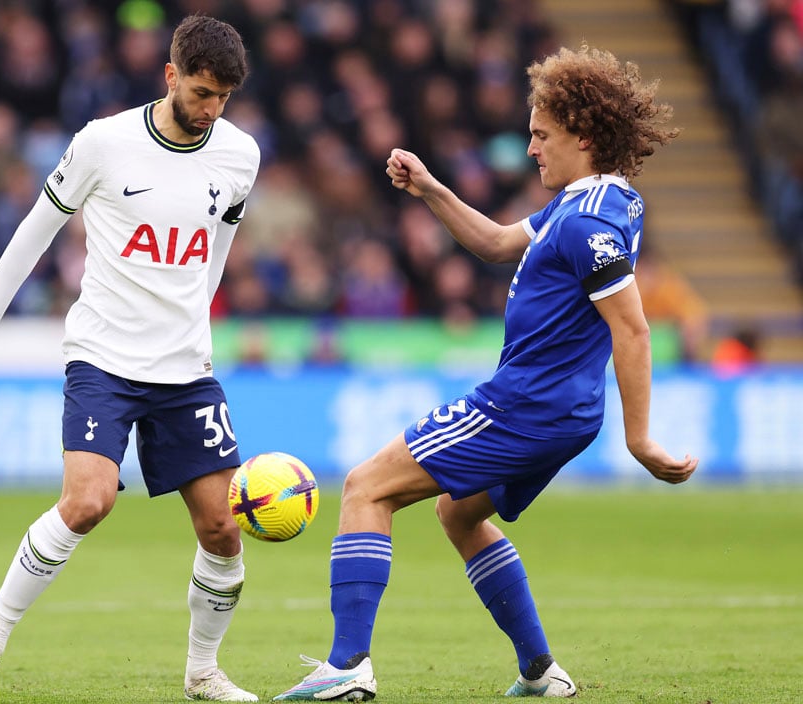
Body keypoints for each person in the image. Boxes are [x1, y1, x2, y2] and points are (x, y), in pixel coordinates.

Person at [275, 45, 699, 701]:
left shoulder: (586, 222)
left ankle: (347, 665)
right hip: (563, 412)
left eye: (541, 135)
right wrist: (432, 189)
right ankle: (539, 671)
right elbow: (500, 243)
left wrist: (641, 438)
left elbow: (634, 328)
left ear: (582, 136)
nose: (530, 150)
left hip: (523, 405)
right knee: (459, 513)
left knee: (365, 488)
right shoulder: (602, 204)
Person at [0, 15, 261, 702]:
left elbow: (215, 254)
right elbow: (34, 233)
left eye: (224, 99)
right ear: (171, 75)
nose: (211, 111)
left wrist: (198, 331)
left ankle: (203, 672)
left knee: (223, 529)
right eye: (202, 93)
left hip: (184, 368)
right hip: (105, 358)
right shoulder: (104, 143)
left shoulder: (240, 156)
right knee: (87, 502)